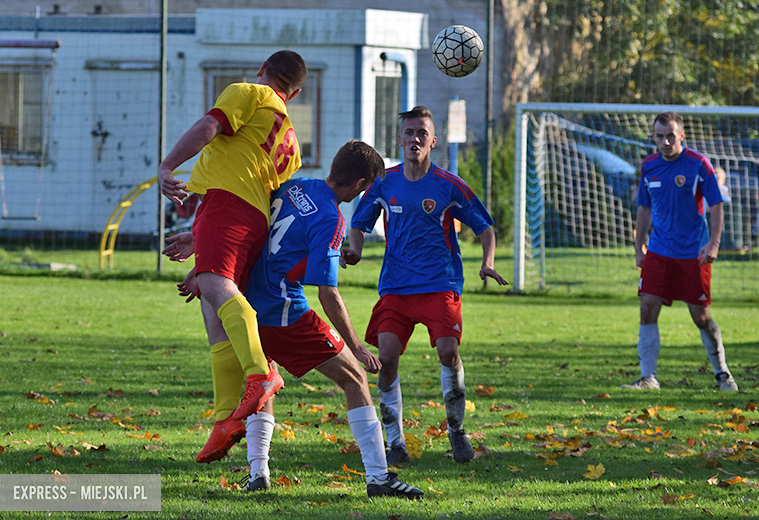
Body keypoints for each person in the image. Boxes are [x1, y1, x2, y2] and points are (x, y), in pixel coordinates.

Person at [166, 141, 424, 499]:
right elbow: (328, 294)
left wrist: (202, 249)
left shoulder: (293, 186)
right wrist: (357, 347)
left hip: (242, 304)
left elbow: (253, 228)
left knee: (263, 379)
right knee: (355, 378)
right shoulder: (333, 219)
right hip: (284, 314)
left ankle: (258, 473)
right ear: (360, 184)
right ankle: (379, 478)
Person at [157, 50, 307, 463]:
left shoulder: (249, 92)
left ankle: (260, 373)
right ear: (294, 93)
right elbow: (270, 198)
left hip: (227, 202)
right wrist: (200, 235)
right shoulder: (291, 143)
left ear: (262, 70)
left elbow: (209, 126)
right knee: (212, 307)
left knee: (213, 287)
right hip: (250, 216)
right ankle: (225, 420)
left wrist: (167, 166)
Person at [342, 106, 508, 465]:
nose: (415, 138)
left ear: (433, 141)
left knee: (448, 351)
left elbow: (485, 228)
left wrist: (488, 262)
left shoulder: (448, 185)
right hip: (396, 288)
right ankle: (396, 441)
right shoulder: (383, 182)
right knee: (386, 360)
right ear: (399, 139)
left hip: (440, 283)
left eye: (422, 133)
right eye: (409, 132)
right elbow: (359, 223)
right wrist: (354, 249)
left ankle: (456, 431)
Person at [622, 111, 738, 392]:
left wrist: (713, 243)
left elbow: (716, 205)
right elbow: (644, 209)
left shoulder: (699, 165)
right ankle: (648, 377)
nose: (665, 142)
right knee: (647, 307)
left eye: (670, 136)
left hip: (693, 253)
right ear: (653, 137)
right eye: (659, 136)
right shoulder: (649, 166)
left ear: (681, 135)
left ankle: (722, 373)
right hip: (660, 251)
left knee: (701, 316)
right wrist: (639, 247)